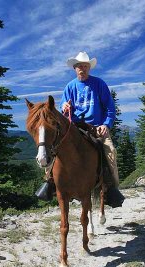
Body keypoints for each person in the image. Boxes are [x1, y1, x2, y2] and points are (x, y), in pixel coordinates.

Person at [60, 51, 124, 207]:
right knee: (55, 149)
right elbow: (63, 108)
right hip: (75, 127)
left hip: (96, 127)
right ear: (75, 68)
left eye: (85, 66)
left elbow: (110, 108)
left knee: (110, 151)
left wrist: (106, 124)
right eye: (79, 66)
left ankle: (111, 189)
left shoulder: (99, 84)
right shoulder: (70, 86)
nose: (82, 69)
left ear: (89, 68)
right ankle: (51, 182)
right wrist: (64, 107)